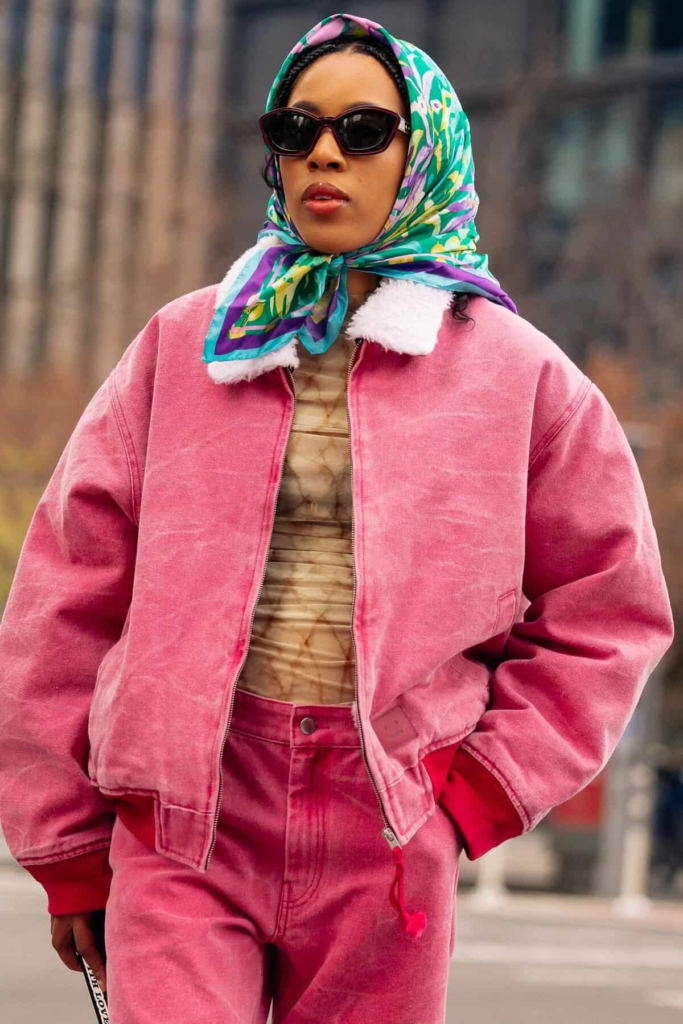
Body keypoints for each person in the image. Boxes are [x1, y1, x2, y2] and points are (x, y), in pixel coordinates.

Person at [0, 12, 674, 1023]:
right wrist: (64, 839)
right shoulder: (183, 344)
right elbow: (65, 591)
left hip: (392, 824)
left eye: (362, 130)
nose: (322, 151)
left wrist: (478, 787)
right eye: (294, 126)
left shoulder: (519, 377)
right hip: (186, 816)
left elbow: (610, 609)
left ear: (424, 151)